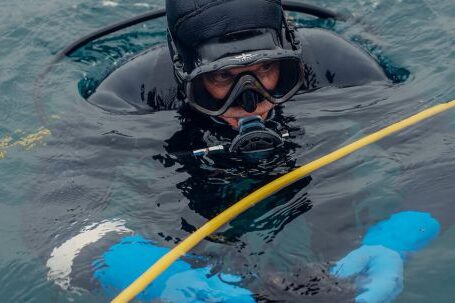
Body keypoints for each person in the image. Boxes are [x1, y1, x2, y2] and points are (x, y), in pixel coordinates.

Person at [88, 0, 387, 156]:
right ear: (184, 69)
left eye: (265, 69)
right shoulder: (126, 96)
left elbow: (416, 149)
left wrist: (396, 232)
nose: (250, 103)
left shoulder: (334, 61)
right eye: (222, 75)